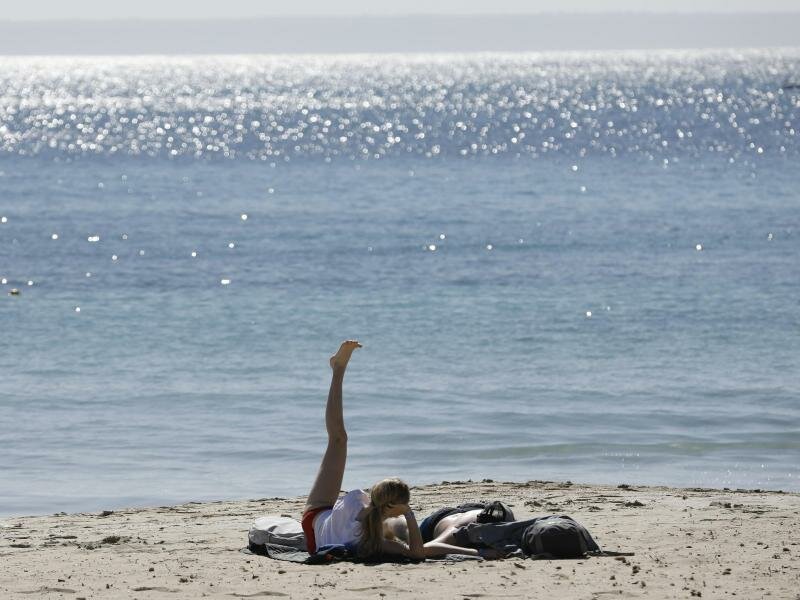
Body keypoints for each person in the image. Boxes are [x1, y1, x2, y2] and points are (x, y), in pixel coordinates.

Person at [302, 341, 497, 560]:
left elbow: (409, 546)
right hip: (315, 525)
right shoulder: (373, 542)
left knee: (338, 439)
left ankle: (338, 370)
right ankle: (338, 369)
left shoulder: (357, 500)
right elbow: (417, 552)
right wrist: (409, 514)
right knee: (338, 439)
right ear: (394, 507)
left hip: (318, 516)